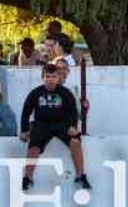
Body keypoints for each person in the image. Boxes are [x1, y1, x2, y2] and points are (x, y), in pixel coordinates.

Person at [19, 63, 91, 191]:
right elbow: (26, 111)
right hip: (41, 125)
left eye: (53, 76)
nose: (50, 79)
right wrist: (24, 130)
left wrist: (73, 126)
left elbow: (73, 111)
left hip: (61, 124)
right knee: (33, 147)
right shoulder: (36, 93)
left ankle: (81, 175)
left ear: (58, 78)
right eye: (47, 76)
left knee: (75, 141)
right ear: (43, 78)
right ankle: (27, 178)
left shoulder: (65, 93)